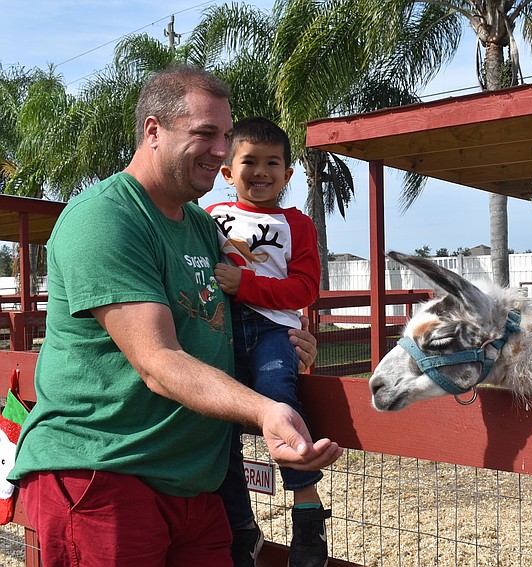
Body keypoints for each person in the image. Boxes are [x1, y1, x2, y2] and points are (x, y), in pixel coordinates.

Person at [8, 64, 342, 567]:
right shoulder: (106, 218)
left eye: (225, 136)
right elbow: (158, 360)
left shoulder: (202, 230)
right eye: (205, 133)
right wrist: (264, 410)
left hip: (194, 483)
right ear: (153, 131)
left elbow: (223, 325)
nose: (220, 151)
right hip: (107, 473)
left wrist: (290, 342)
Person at [206, 117, 328, 567]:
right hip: (219, 327)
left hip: (274, 330)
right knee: (219, 425)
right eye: (249, 162)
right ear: (227, 172)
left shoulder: (297, 224)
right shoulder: (210, 218)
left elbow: (304, 289)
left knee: (280, 399)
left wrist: (245, 283)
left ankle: (308, 512)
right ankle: (241, 525)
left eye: (272, 163)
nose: (261, 172)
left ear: (288, 175)